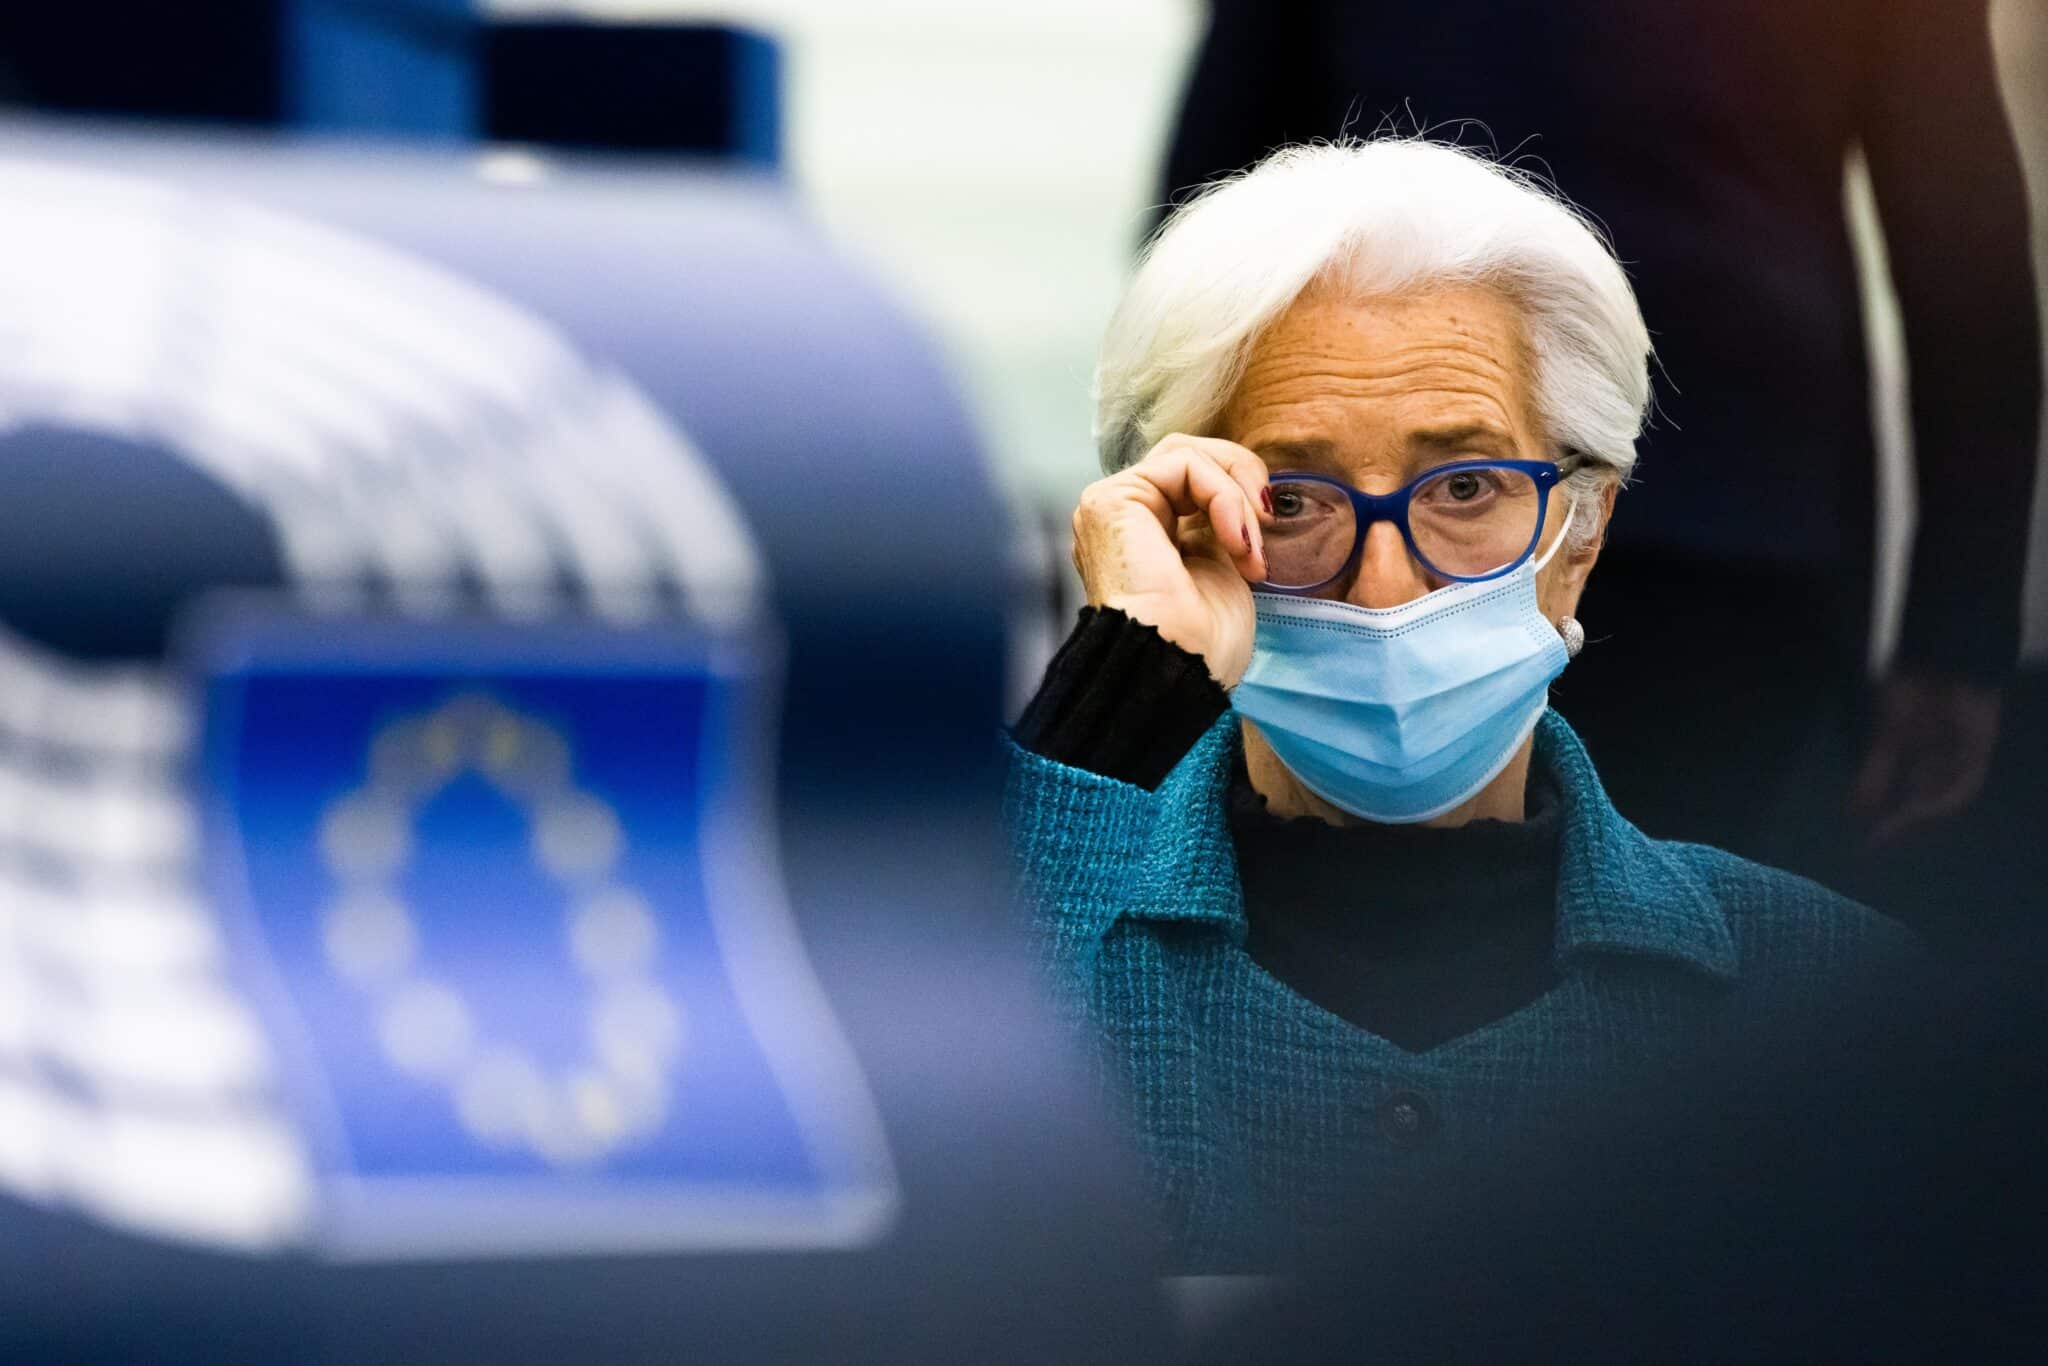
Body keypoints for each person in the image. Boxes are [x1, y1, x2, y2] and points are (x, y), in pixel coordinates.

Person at [1006, 139, 1915, 1270]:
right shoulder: (1033, 947)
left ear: (1576, 535)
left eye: (1468, 488)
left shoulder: (1838, 1001)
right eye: (1287, 500)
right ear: (1187, 524)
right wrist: (1121, 676)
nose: (1384, 586)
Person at [1155, 0, 2043, 923]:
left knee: (1376, 916)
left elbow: (1208, 209)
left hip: (1679, 527)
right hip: (1733, 515)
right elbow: (1964, 240)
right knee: (1713, 959)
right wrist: (1958, 638)